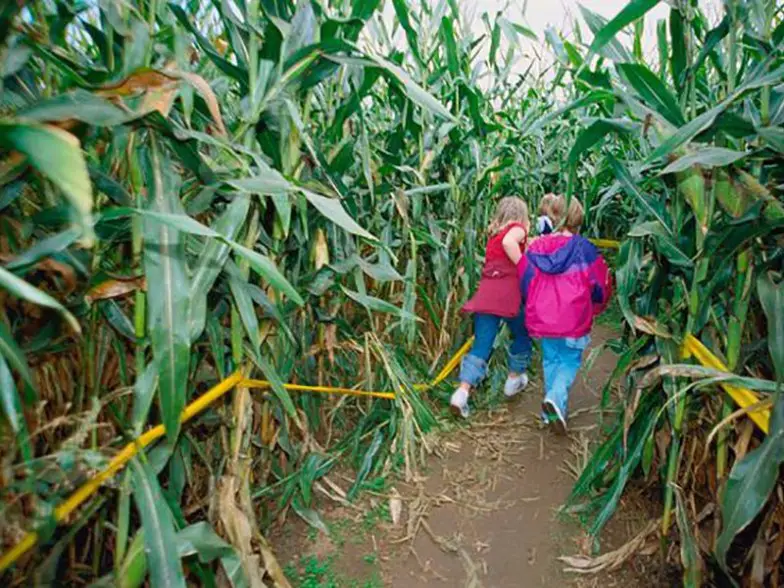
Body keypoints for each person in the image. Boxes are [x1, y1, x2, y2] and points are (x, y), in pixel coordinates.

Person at [518, 196, 611, 434]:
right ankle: (555, 398)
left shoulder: (536, 247)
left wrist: (532, 304)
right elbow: (599, 283)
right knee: (569, 360)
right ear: (578, 220)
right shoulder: (584, 249)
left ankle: (552, 412)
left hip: (544, 317)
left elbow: (525, 280)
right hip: (574, 317)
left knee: (551, 360)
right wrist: (598, 304)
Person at [450, 197, 533, 418]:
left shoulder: (493, 236)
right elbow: (510, 243)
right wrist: (523, 265)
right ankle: (514, 378)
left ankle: (462, 393)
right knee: (522, 335)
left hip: (487, 296)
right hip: (510, 297)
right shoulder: (516, 230)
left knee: (481, 346)